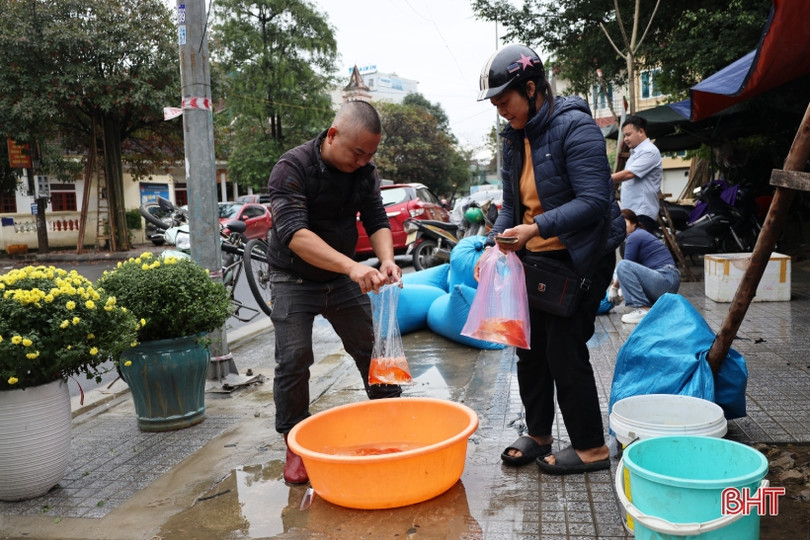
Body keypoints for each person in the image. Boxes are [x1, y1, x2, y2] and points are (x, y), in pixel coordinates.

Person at [476, 44, 625, 475]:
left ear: (531, 88)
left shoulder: (574, 126)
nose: (501, 111)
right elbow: (510, 207)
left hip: (582, 256)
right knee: (529, 347)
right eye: (496, 104)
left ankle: (592, 448)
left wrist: (536, 228)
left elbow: (595, 200)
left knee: (563, 349)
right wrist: (494, 243)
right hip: (536, 258)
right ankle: (539, 434)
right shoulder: (513, 138)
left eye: (505, 101)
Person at [266, 101, 403, 484]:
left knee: (370, 347)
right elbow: (294, 233)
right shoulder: (292, 168)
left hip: (342, 277)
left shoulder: (365, 173)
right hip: (293, 277)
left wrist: (386, 260)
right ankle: (294, 442)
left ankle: (391, 420)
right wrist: (353, 266)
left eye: (370, 155)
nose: (362, 162)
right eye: (357, 152)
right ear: (332, 135)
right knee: (293, 358)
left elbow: (376, 218)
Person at [609, 209, 680, 324]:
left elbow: (626, 266)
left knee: (622, 265)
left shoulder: (634, 236)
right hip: (667, 281)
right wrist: (623, 293)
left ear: (634, 223)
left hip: (665, 279)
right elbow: (634, 275)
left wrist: (614, 288)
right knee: (621, 270)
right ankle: (648, 309)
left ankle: (643, 309)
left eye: (625, 223)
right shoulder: (639, 234)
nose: (622, 227)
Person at [611, 115, 663, 232]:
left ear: (641, 131)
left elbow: (629, 174)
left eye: (628, 135)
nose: (625, 139)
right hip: (632, 213)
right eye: (624, 136)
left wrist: (604, 179)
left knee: (639, 248)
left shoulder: (649, 151)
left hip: (641, 213)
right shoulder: (635, 154)